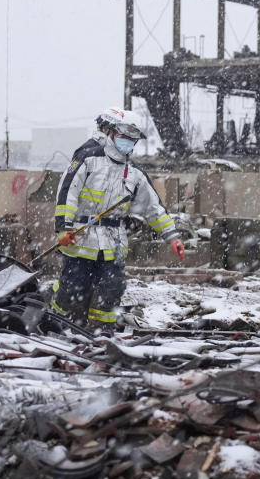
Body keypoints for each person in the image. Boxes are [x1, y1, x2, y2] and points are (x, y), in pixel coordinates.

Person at [51, 107, 184, 332]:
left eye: (133, 140)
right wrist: (63, 228)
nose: (129, 144)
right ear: (107, 130)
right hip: (80, 239)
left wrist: (172, 236)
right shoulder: (88, 157)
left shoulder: (133, 171)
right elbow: (67, 192)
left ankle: (102, 331)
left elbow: (154, 207)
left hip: (113, 242)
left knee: (112, 289)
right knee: (72, 288)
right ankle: (55, 323)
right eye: (125, 137)